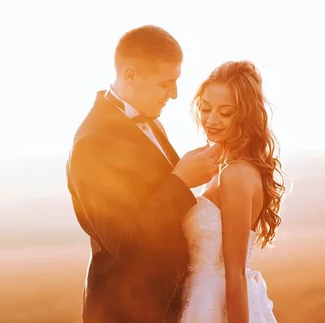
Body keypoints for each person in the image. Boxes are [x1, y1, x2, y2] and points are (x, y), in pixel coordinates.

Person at [66, 25, 220, 322]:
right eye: (165, 84)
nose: (174, 94)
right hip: (128, 311)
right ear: (131, 75)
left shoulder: (152, 122)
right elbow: (128, 242)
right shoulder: (92, 142)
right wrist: (181, 182)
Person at [179, 60, 284, 323]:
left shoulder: (235, 175)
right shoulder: (219, 167)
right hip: (199, 298)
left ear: (246, 115)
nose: (211, 120)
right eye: (205, 108)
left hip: (215, 305)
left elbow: (235, 274)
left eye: (225, 112)